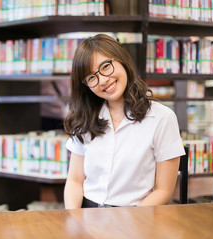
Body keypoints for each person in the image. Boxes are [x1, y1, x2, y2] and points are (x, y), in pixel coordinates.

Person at [63, 34, 185, 208]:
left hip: (137, 216)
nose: (103, 80)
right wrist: (74, 220)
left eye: (106, 66)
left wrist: (128, 221)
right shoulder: (86, 118)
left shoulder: (162, 118)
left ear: (121, 60)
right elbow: (75, 181)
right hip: (87, 215)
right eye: (91, 77)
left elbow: (164, 190)